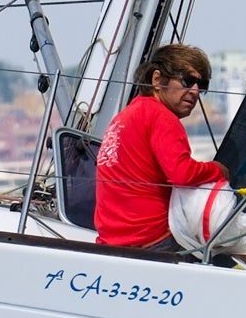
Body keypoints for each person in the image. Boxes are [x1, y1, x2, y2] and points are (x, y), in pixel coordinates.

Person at [93, 43, 227, 252]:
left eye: (201, 86)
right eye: (188, 81)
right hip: (152, 240)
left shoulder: (125, 116)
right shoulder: (161, 117)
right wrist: (218, 170)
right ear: (157, 80)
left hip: (112, 241)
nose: (195, 92)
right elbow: (182, 173)